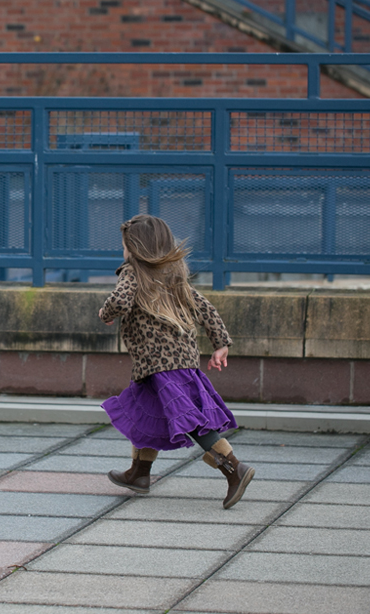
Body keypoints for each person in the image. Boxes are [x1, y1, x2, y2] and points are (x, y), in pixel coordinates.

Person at [98, 214, 255, 509]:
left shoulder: (133, 272)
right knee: (143, 412)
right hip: (175, 361)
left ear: (135, 248)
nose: (123, 253)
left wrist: (105, 314)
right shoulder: (174, 273)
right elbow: (204, 307)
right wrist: (221, 343)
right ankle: (139, 474)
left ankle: (235, 468)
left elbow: (119, 301)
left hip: (160, 366)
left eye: (124, 247)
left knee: (191, 421)